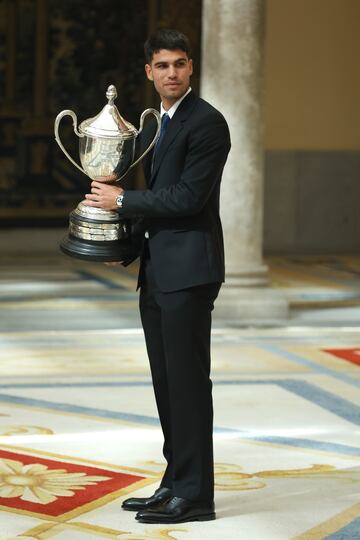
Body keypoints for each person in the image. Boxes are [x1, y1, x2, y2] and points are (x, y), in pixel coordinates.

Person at [84, 28, 231, 524]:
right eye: (162, 66)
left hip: (190, 272)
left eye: (180, 64)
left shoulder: (208, 123)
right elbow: (157, 199)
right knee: (167, 382)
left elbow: (188, 198)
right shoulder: (152, 125)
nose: (172, 73)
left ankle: (196, 496)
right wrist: (121, 245)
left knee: (189, 383)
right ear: (149, 72)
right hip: (158, 270)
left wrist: (121, 200)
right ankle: (174, 482)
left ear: (191, 68)